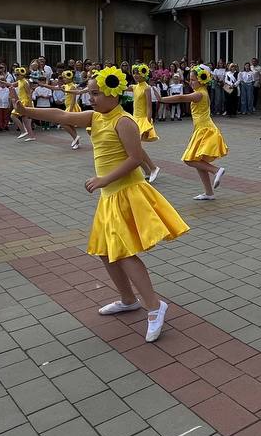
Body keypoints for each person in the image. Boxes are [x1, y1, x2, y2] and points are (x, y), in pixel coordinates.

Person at [14, 67, 186, 342]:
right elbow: (62, 115)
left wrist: (104, 179)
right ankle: (128, 299)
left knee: (126, 253)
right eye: (89, 93)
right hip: (110, 196)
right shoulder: (96, 117)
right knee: (106, 252)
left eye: (95, 93)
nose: (90, 98)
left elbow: (136, 157)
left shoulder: (124, 122)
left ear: (112, 93)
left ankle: (154, 307)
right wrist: (28, 110)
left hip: (127, 193)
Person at [161, 66, 228, 199]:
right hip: (203, 129)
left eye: (193, 80)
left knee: (189, 159)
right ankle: (209, 193)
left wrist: (162, 99)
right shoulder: (202, 91)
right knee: (198, 161)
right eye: (189, 80)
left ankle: (216, 170)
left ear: (201, 80)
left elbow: (180, 98)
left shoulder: (199, 94)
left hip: (205, 130)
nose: (191, 82)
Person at [130, 64, 160, 182]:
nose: (136, 75)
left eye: (138, 73)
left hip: (143, 119)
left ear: (144, 73)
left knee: (135, 148)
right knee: (133, 149)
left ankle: (153, 168)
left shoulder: (146, 88)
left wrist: (148, 123)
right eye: (134, 72)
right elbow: (120, 87)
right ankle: (148, 170)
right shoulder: (134, 86)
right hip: (135, 119)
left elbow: (149, 107)